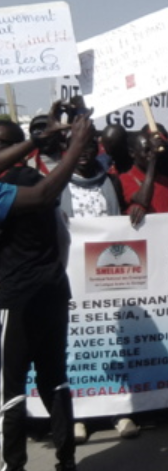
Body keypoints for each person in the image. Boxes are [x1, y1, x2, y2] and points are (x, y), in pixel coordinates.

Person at [0, 112, 95, 471]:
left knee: (12, 389)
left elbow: (40, 199)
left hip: (17, 299)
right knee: (55, 380)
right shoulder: (40, 180)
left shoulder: (18, 188)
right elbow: (61, 234)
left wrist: (73, 147)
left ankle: (14, 464)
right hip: (53, 290)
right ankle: (66, 459)